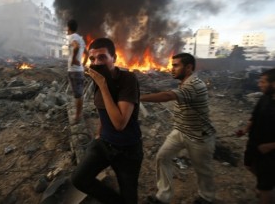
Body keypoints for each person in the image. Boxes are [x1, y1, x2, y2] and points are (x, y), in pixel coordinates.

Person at [71, 38, 143, 204]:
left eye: (102, 57)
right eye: (92, 59)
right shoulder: (98, 80)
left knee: (129, 197)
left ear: (114, 58)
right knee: (79, 179)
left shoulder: (127, 79)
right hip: (104, 143)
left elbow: (120, 124)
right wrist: (99, 132)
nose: (96, 62)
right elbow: (102, 111)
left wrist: (103, 86)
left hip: (127, 151)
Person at [141, 53, 216, 204]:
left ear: (188, 67)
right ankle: (163, 196)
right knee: (162, 157)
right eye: (172, 65)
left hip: (199, 136)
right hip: (180, 131)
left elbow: (167, 96)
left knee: (203, 170)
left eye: (176, 65)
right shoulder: (184, 82)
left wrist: (137, 97)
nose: (172, 68)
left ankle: (206, 197)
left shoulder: (194, 84)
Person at [236, 68, 275, 204]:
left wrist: (271, 146)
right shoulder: (265, 98)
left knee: (265, 188)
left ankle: (267, 189)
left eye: (263, 82)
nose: (259, 84)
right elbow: (254, 117)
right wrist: (245, 130)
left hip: (270, 151)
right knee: (249, 165)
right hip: (254, 142)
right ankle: (266, 182)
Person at [66, 19, 88, 123]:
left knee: (78, 95)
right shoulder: (81, 39)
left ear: (68, 27)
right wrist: (83, 65)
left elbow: (76, 47)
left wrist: (74, 59)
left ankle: (77, 117)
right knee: (78, 94)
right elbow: (87, 54)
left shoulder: (73, 37)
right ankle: (78, 113)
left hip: (74, 71)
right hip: (78, 71)